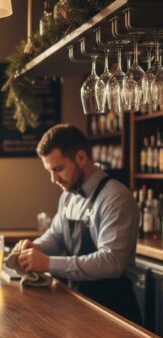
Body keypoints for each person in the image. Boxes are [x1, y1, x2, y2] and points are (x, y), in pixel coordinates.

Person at [13, 123, 141, 324]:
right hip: (78, 304)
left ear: (81, 158)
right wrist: (36, 246)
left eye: (58, 169)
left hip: (114, 311)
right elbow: (56, 235)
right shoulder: (68, 196)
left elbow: (111, 262)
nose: (53, 179)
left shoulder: (116, 198)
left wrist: (47, 263)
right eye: (50, 171)